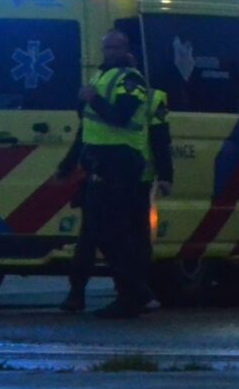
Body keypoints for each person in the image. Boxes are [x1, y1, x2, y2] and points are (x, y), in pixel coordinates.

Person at [61, 26, 174, 320]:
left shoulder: (131, 80)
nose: (110, 53)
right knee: (97, 233)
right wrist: (68, 163)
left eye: (115, 48)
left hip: (122, 166)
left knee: (117, 234)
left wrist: (91, 99)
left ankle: (132, 294)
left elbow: (122, 118)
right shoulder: (99, 77)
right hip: (98, 164)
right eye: (107, 48)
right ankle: (112, 293)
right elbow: (86, 127)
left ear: (127, 50)